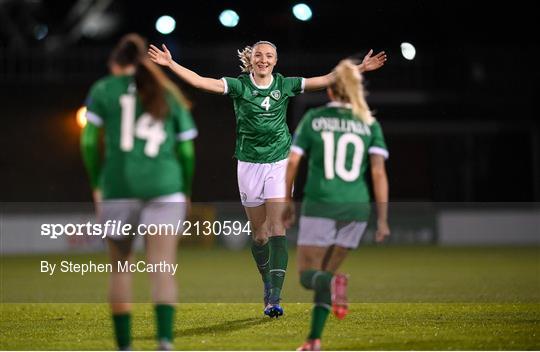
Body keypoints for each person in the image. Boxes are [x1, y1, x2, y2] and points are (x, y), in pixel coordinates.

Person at [148, 41, 386, 318]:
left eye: (269, 56)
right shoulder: (239, 86)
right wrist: (171, 64)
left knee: (277, 228)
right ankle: (267, 281)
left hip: (279, 162)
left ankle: (274, 296)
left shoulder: (285, 84)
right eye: (259, 55)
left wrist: (361, 68)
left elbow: (326, 80)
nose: (263, 60)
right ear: (251, 61)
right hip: (248, 164)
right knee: (259, 235)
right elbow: (203, 83)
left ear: (276, 61)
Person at [81, 33, 197, 351]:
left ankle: (124, 347)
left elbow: (90, 142)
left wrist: (97, 184)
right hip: (165, 188)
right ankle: (164, 343)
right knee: (162, 269)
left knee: (120, 270)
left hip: (119, 189)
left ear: (115, 64)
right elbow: (186, 151)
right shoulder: (167, 91)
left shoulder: (104, 89)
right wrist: (185, 190)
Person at [282, 59, 391, 351]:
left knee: (308, 277)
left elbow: (293, 162)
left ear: (330, 91)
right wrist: (382, 219)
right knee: (325, 275)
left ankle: (330, 286)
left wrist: (286, 202)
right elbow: (378, 172)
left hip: (322, 204)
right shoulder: (369, 123)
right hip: (357, 208)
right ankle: (313, 340)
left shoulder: (314, 119)